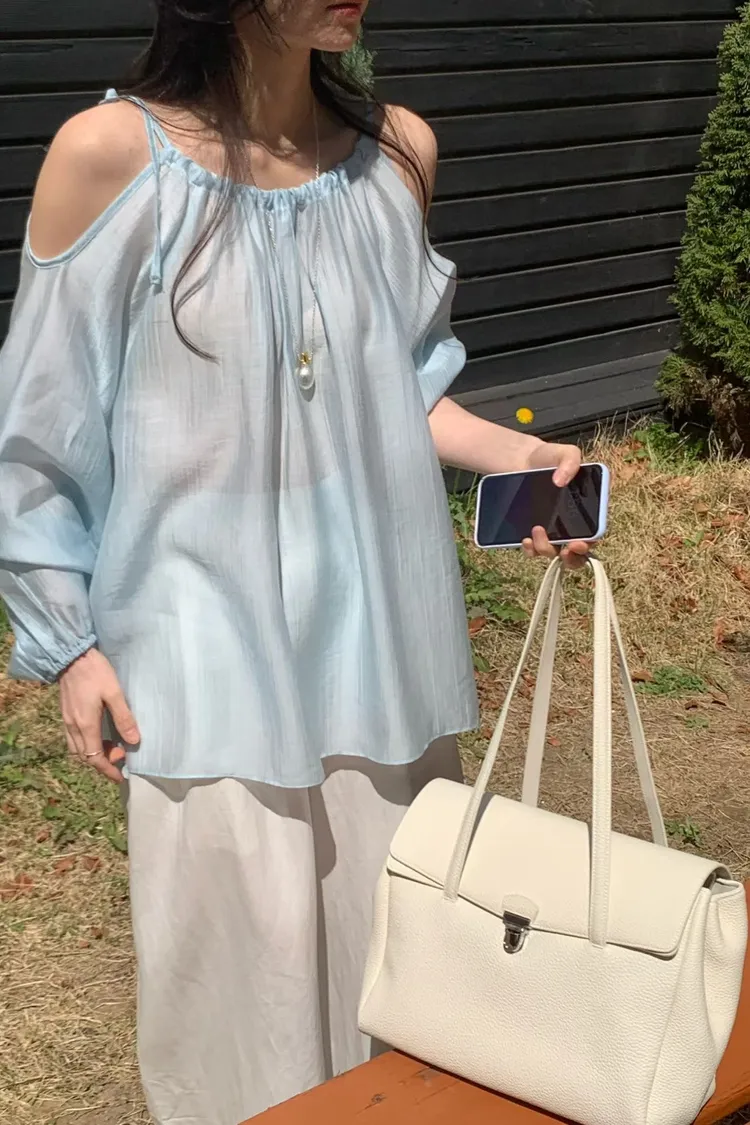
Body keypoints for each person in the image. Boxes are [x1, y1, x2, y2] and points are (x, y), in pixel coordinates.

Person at [0, 2, 591, 1123]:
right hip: (200, 648)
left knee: (403, 976)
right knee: (241, 1001)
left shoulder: (395, 155)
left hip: (379, 640)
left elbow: (406, 384)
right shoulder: (110, 157)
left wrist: (520, 457)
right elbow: (41, 425)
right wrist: (68, 641)